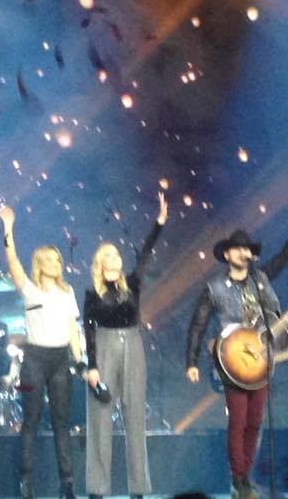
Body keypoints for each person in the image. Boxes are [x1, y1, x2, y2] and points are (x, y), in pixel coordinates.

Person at [185, 195, 288, 499]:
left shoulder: (259, 279)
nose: (244, 252)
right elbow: (198, 324)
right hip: (231, 358)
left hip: (259, 358)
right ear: (228, 254)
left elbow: (284, 258)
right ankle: (240, 478)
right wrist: (191, 361)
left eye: (248, 248)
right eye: (239, 248)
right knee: (239, 419)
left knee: (256, 420)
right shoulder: (215, 288)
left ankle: (242, 478)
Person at [83, 192, 168, 499]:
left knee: (134, 416)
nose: (115, 259)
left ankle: (139, 489)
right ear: (100, 262)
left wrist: (159, 222)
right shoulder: (91, 293)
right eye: (109, 255)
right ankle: (97, 489)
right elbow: (88, 330)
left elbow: (145, 253)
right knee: (100, 419)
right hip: (104, 346)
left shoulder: (132, 283)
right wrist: (91, 366)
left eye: (117, 255)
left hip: (132, 345)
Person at [0, 206, 84, 499]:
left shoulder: (68, 292)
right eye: (48, 259)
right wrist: (8, 227)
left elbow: (73, 328)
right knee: (31, 421)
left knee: (62, 421)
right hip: (35, 359)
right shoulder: (31, 290)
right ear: (39, 264)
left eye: (57, 259)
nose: (55, 262)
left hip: (61, 360)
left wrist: (81, 359)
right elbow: (12, 262)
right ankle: (26, 482)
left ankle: (68, 483)